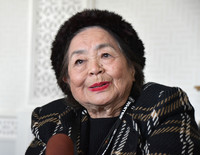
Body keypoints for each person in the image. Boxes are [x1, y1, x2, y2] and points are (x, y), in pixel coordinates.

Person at [25, 9, 200, 155]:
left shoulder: (162, 104)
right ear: (67, 80)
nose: (94, 69)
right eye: (79, 61)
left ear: (132, 68)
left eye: (106, 55)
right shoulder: (51, 118)